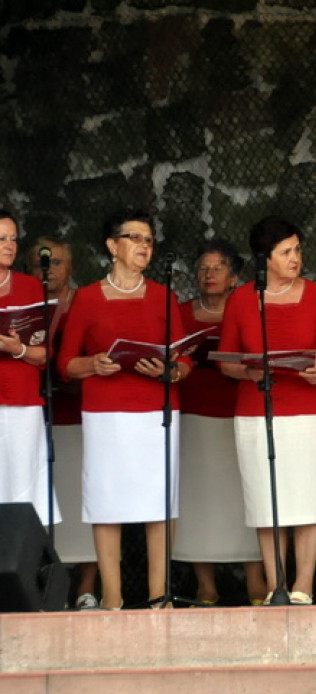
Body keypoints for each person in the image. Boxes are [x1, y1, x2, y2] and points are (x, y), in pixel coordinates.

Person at [58, 209, 192, 610]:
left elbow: (185, 361)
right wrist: (93, 364)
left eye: (149, 240)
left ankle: (158, 594)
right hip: (106, 413)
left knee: (158, 501)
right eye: (134, 238)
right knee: (106, 500)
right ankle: (111, 595)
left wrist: (170, 371)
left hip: (157, 411)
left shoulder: (163, 296)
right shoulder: (86, 298)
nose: (143, 246)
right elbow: (65, 363)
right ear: (112, 246)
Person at [218, 216, 316, 606]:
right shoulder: (241, 299)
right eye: (286, 252)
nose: (295, 258)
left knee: (312, 497)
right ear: (264, 259)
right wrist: (249, 368)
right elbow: (225, 360)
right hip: (259, 411)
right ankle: (277, 586)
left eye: (298, 250)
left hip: (312, 409)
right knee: (265, 497)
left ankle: (304, 585)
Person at [173, 239, 266, 605]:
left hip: (238, 410)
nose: (209, 275)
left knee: (245, 495)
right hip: (193, 411)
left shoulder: (245, 310)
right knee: (198, 498)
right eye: (202, 269)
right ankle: (205, 585)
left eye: (217, 268)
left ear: (234, 277)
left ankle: (256, 581)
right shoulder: (179, 312)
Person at [26, 237, 99, 609]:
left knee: (84, 500)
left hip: (82, 414)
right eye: (41, 263)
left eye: (56, 263)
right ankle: (43, 586)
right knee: (41, 503)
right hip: (37, 416)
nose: (48, 270)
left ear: (70, 268)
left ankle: (86, 588)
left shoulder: (85, 301)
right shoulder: (25, 304)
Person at [0, 212, 60, 528]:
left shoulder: (30, 286)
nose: (9, 245)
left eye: (13, 239)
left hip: (22, 402)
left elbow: (43, 355)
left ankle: (22, 571)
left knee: (23, 492)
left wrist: (16, 349)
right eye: (1, 239)